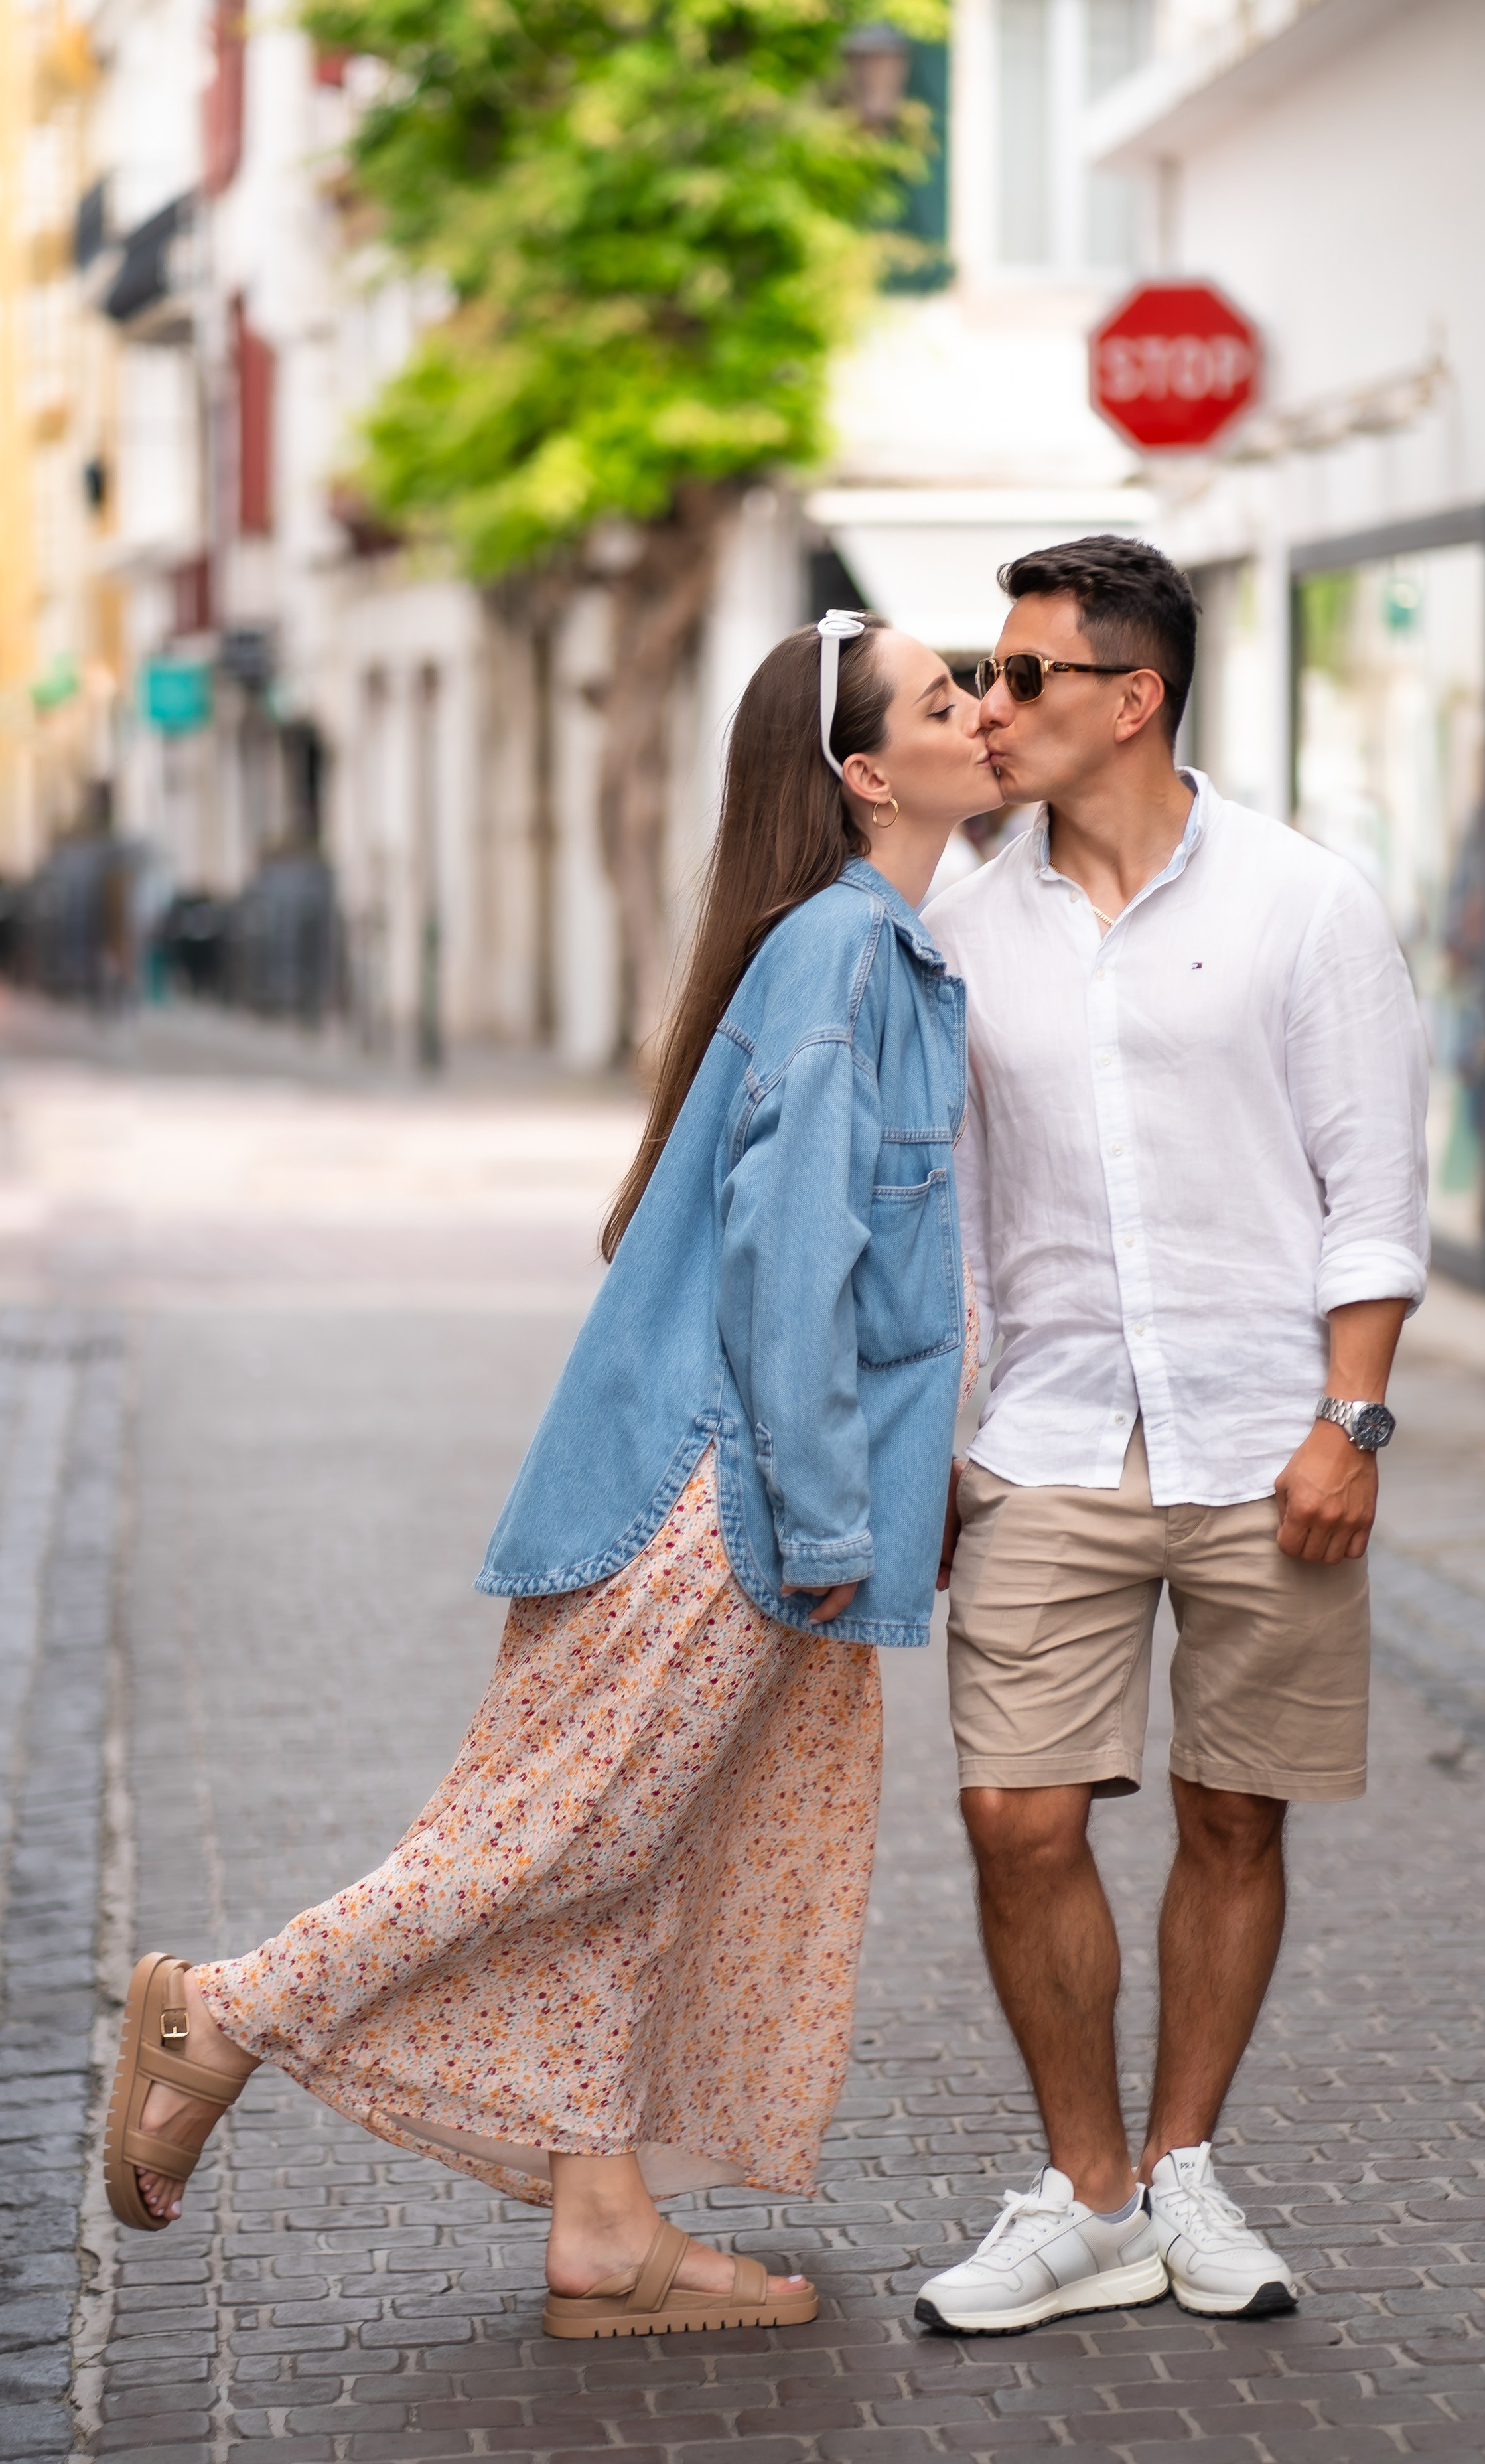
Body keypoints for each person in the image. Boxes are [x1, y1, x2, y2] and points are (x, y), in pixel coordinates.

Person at [103, 610, 1002, 2340]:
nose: (982, 708)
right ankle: (225, 2010)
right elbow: (791, 1260)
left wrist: (909, 1483)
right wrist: (834, 1510)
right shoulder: (843, 954)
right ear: (866, 773)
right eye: (945, 694)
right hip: (721, 1506)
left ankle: (603, 2231)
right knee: (556, 1838)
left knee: (641, 1857)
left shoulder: (876, 950)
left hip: (749, 1494)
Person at [916, 536, 1429, 2333]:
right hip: (1049, 1435)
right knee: (1014, 1813)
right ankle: (1089, 2195)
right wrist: (935, 1451)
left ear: (1133, 697)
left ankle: (1186, 2168)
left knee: (1232, 1813)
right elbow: (956, 1223)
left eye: (1023, 675)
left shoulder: (1305, 903)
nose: (989, 707)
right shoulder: (964, 930)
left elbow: (1373, 1188)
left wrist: (1351, 1420)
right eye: (983, 675)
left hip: (1266, 1438)